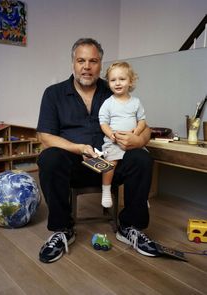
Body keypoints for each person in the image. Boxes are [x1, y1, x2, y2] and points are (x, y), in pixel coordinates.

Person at [37, 37, 159, 263]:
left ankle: (130, 227)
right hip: (74, 164)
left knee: (141, 158)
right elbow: (45, 136)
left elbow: (147, 129)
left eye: (93, 61)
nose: (86, 66)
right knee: (49, 158)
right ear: (72, 63)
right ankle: (62, 230)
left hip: (113, 163)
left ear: (100, 65)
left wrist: (138, 140)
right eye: (81, 60)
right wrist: (77, 148)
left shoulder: (114, 87)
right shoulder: (53, 93)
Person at [99, 62, 146, 208]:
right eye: (113, 80)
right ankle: (106, 190)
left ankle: (142, 196)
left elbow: (142, 121)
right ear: (109, 83)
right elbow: (103, 123)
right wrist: (111, 134)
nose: (117, 83)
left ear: (130, 81)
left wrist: (136, 134)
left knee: (143, 163)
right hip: (114, 142)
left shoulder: (136, 102)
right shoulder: (108, 103)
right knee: (110, 164)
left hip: (132, 142)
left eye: (122, 79)